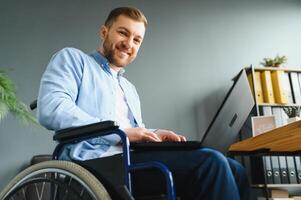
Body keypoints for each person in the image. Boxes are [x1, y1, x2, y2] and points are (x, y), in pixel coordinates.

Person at [37, 6, 252, 200]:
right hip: (94, 162)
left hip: (130, 158)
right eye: (123, 32)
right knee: (210, 163)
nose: (129, 43)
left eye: (137, 39)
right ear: (105, 32)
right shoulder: (73, 60)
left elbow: (132, 132)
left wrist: (155, 133)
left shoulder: (129, 89)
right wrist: (122, 132)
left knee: (234, 169)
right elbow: (52, 109)